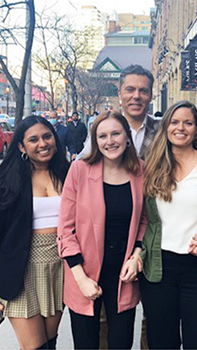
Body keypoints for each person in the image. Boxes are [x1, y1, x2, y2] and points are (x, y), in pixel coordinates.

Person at [140, 100, 197, 349]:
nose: (181, 127)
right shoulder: (150, 166)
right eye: (175, 122)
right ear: (166, 127)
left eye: (188, 122)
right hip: (159, 265)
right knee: (161, 340)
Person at [58, 111, 147, 349]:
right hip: (84, 270)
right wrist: (80, 278)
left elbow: (144, 221)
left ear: (127, 137)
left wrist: (137, 256)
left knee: (121, 342)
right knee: (86, 343)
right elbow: (65, 229)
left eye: (116, 133)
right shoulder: (79, 170)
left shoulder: (140, 170)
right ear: (95, 141)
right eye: (102, 136)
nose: (110, 141)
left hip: (123, 271)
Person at [0, 116, 70, 349]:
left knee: (50, 344)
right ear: (21, 146)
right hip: (20, 272)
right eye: (33, 139)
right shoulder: (9, 182)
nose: (43, 143)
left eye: (47, 136)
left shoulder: (68, 174)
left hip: (58, 269)